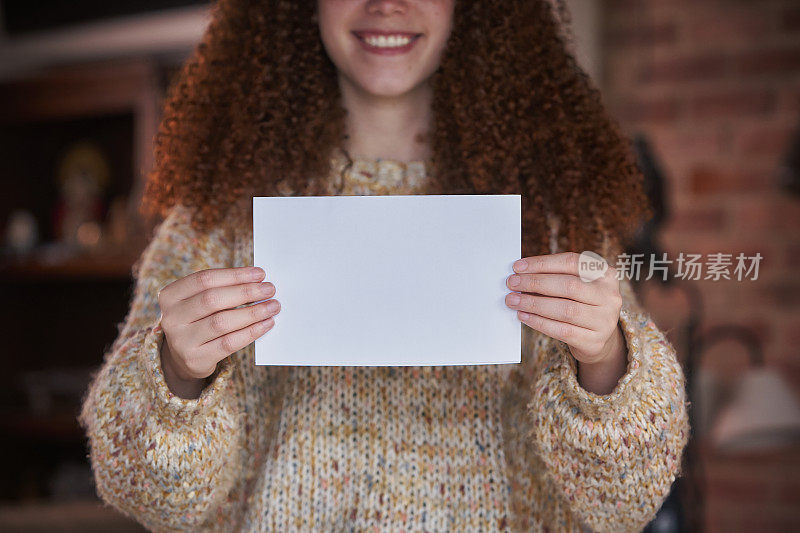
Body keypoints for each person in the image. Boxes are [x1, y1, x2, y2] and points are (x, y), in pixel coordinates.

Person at [79, 1, 690, 531]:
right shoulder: (213, 220)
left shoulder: (556, 218)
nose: (387, 4)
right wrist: (177, 373)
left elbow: (625, 502)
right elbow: (146, 496)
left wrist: (606, 360)